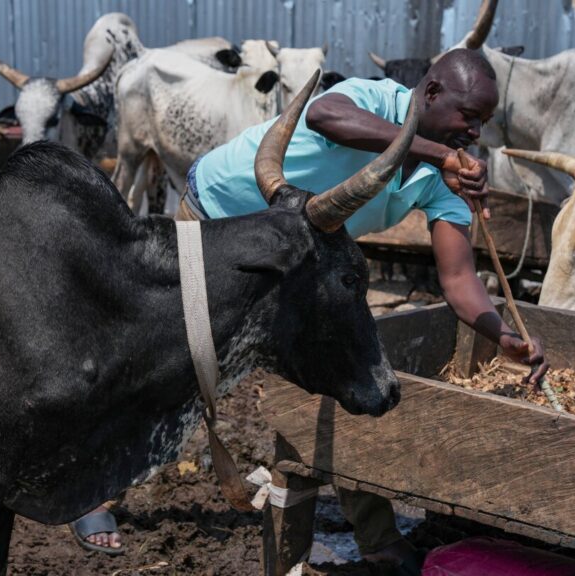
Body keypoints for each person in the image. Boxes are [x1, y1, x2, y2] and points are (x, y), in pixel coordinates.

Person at [73, 48, 550, 573]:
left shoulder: (446, 182)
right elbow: (324, 115)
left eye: (483, 122)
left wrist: (501, 333)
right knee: (167, 361)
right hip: (218, 219)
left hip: (300, 260)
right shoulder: (377, 100)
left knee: (349, 369)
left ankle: (378, 537)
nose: (475, 133)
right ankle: (90, 491)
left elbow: (459, 280)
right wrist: (437, 152)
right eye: (469, 116)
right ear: (431, 94)